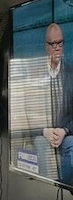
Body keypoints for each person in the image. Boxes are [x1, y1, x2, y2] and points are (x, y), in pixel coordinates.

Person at [27, 23, 73, 184]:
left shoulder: (71, 73)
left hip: (65, 134)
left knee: (72, 146)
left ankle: (65, 189)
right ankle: (48, 190)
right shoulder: (34, 74)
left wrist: (65, 130)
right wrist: (44, 130)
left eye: (60, 43)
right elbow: (27, 112)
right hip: (42, 134)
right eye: (53, 44)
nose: (57, 47)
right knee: (42, 146)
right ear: (46, 46)